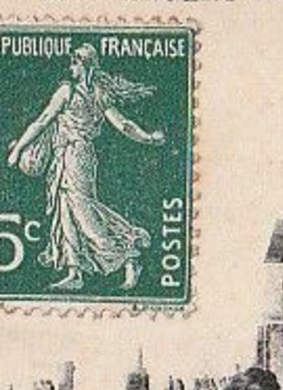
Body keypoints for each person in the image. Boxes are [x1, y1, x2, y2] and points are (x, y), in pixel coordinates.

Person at [5, 44, 165, 292]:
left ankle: (128, 254)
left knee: (82, 211)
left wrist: (17, 150)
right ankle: (75, 271)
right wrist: (148, 138)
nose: (71, 68)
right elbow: (124, 125)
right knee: (67, 211)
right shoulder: (97, 93)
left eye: (74, 63)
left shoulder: (67, 91)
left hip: (74, 156)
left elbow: (43, 120)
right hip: (74, 156)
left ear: (84, 65)